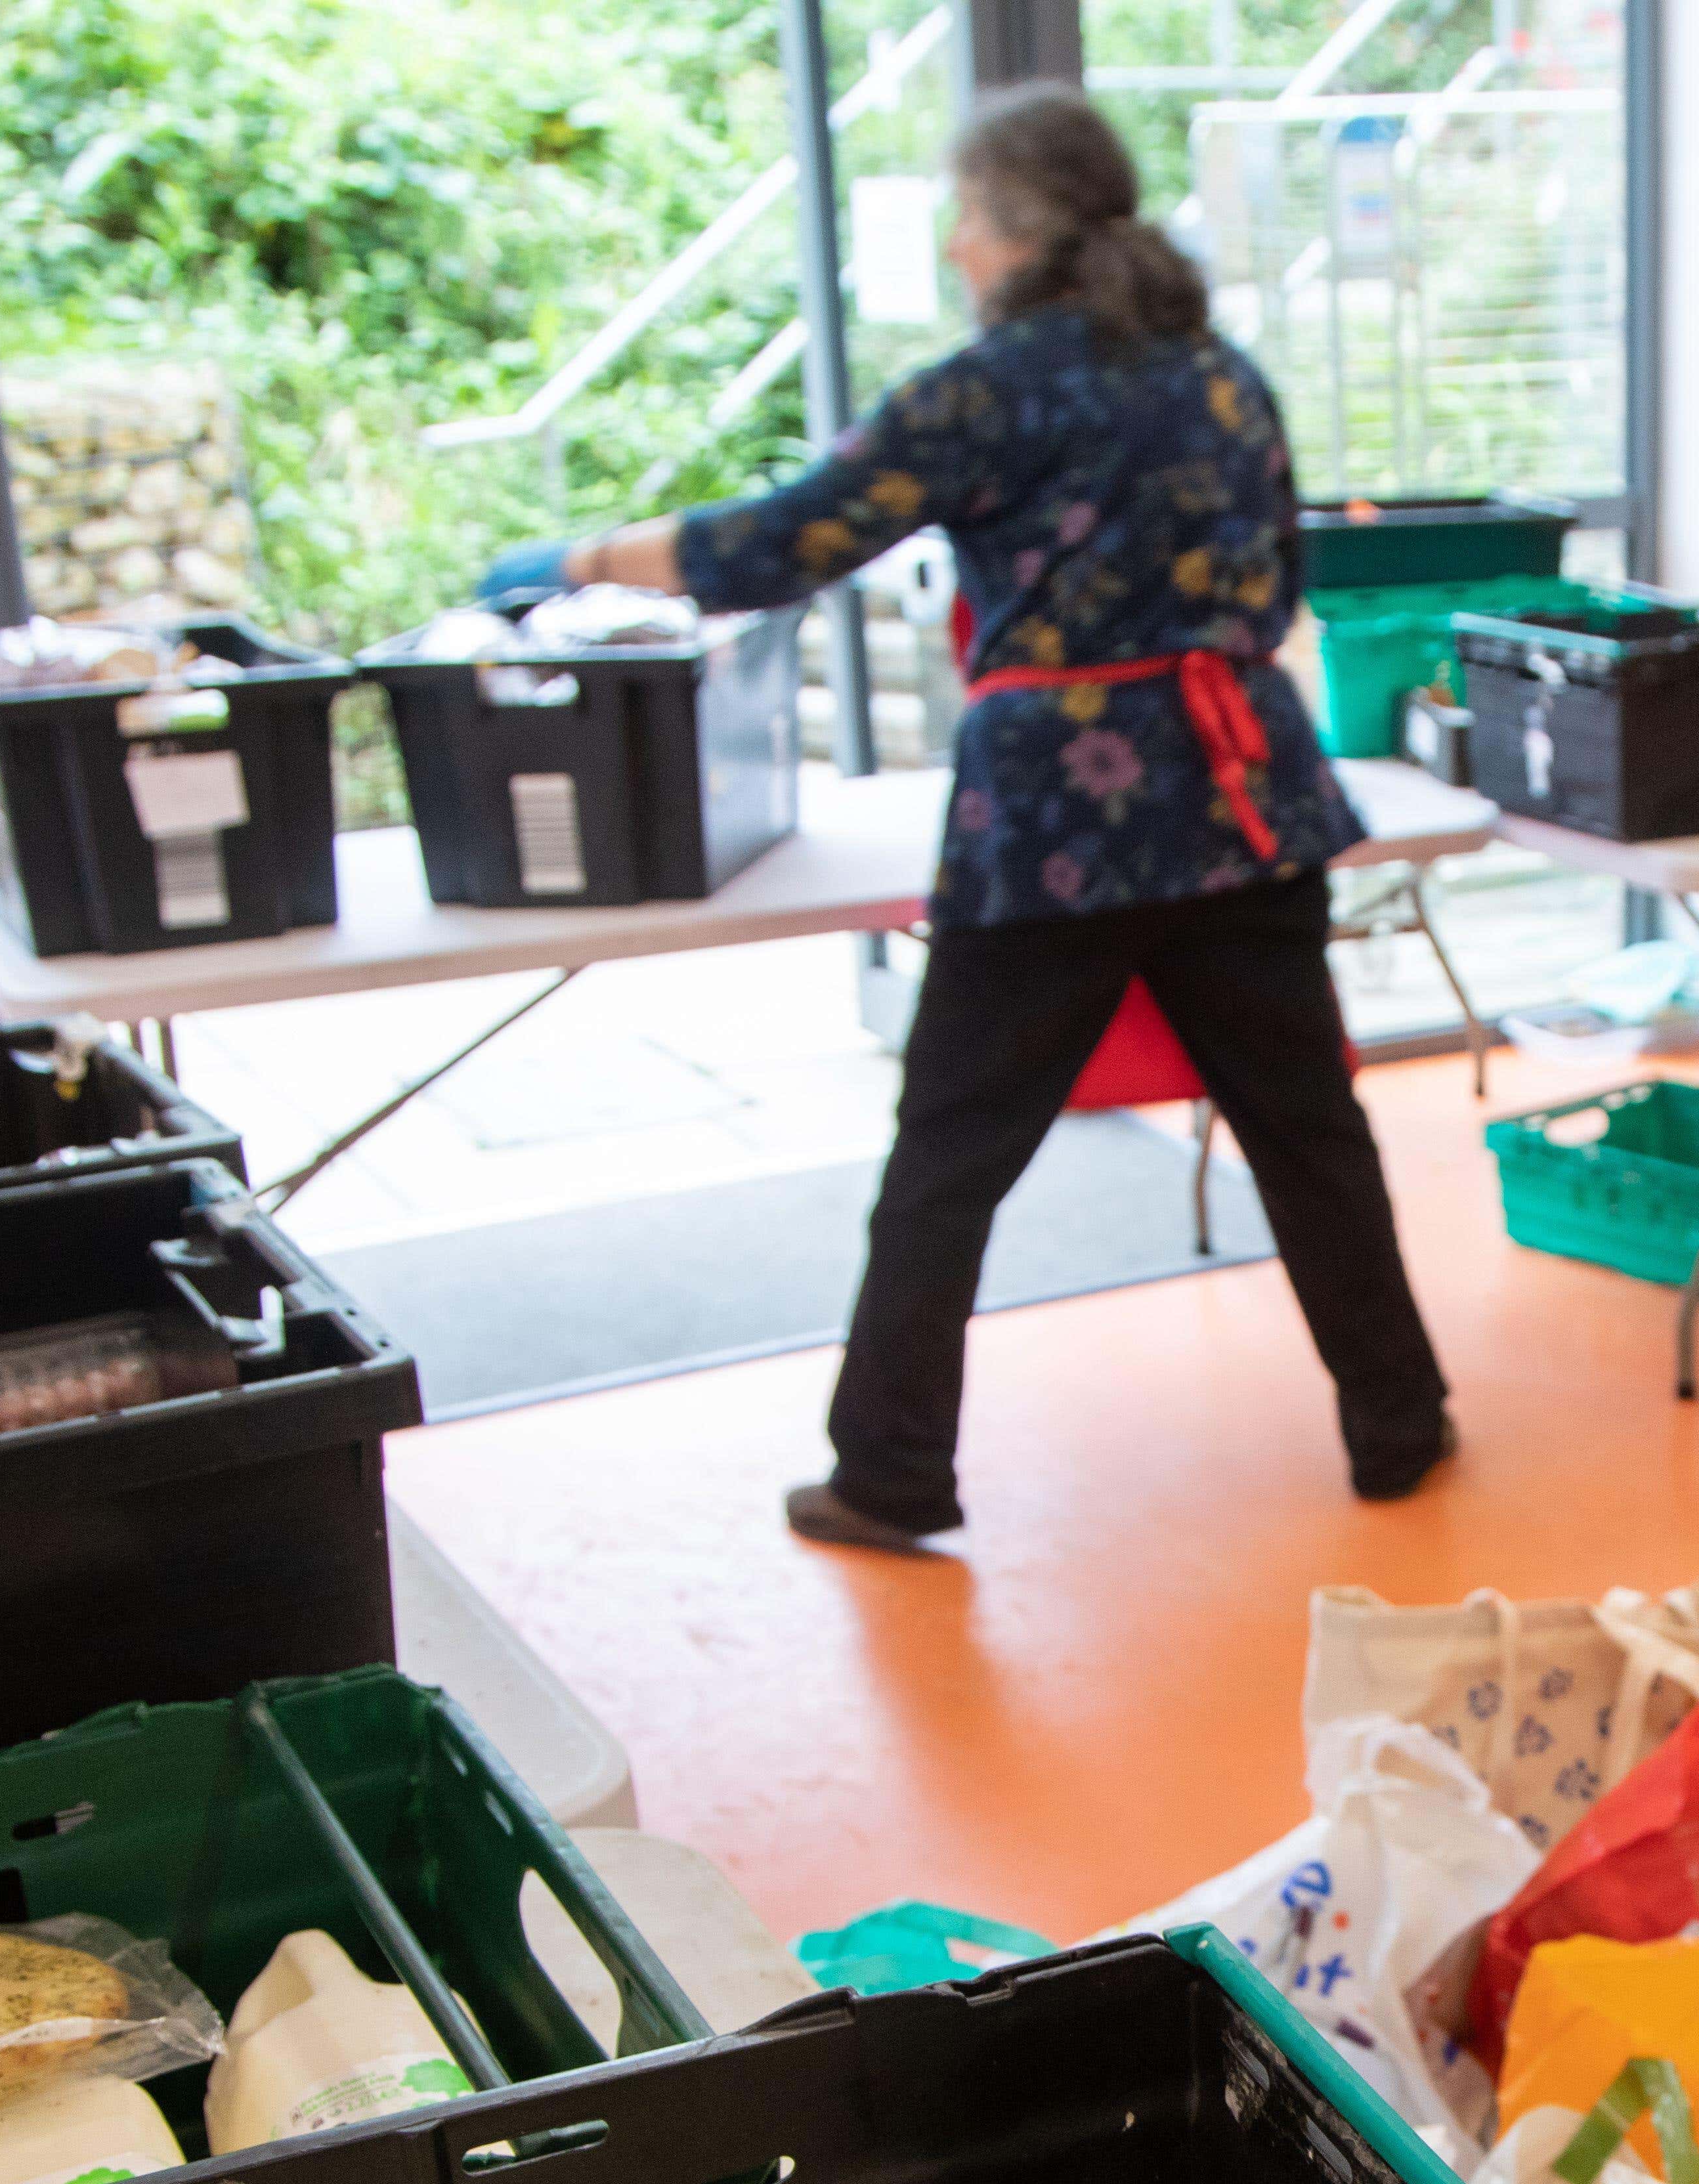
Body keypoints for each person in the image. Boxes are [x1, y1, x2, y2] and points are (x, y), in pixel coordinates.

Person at [479, 85, 1452, 1552]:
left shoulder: (991, 388)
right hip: (1248, 795)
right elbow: (1287, 579)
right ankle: (1399, 1423)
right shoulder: (1224, 371)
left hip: (1061, 820)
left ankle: (890, 1470)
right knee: (1311, 1135)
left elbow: (776, 543)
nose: (953, 248)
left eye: (966, 220)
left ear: (1010, 231)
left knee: (949, 1158)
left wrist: (573, 556)